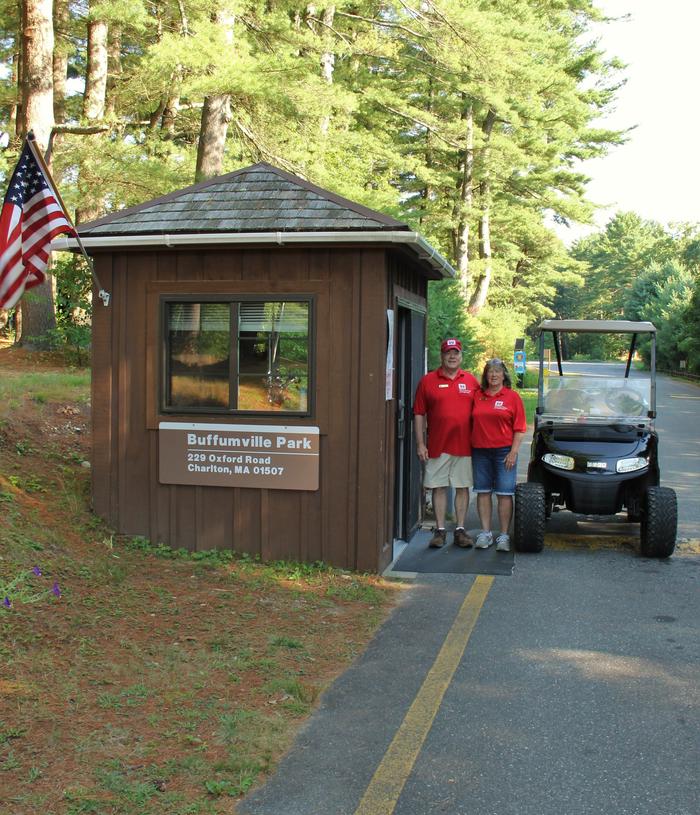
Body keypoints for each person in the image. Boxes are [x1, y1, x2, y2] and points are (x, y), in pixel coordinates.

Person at [413, 338, 480, 549]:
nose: (452, 356)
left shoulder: (471, 381)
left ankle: (460, 530)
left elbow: (483, 412)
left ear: (461, 356)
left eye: (456, 352)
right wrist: (420, 443)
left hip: (465, 446)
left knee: (462, 487)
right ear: (442, 356)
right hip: (437, 445)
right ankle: (440, 530)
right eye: (448, 352)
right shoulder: (428, 381)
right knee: (438, 487)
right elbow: (419, 414)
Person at [471, 358, 527, 552]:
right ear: (486, 375)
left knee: (504, 493)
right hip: (480, 451)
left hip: (504, 452)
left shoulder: (512, 397)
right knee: (483, 492)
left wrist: (514, 451)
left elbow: (520, 428)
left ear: (504, 375)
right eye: (490, 371)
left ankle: (503, 536)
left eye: (497, 371)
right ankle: (485, 533)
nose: (494, 375)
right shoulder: (477, 396)